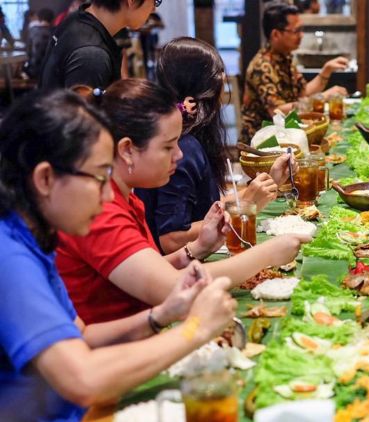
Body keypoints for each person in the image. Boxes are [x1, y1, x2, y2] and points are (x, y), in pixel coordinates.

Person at [0, 90, 236, 420]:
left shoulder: (34, 237)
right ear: (45, 178)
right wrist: (195, 329)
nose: (109, 193)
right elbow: (82, 379)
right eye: (98, 177)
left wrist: (162, 315)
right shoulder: (9, 257)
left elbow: (83, 336)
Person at [56, 79, 310, 324]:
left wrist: (198, 247)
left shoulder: (127, 198)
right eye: (168, 147)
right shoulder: (102, 210)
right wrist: (265, 254)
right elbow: (169, 288)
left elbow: (148, 270)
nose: (179, 154)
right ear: (127, 150)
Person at [137, 37, 291, 254]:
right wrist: (245, 202)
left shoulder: (192, 138)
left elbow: (207, 206)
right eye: (217, 74)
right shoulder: (184, 148)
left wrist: (269, 181)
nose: (223, 79)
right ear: (202, 86)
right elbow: (170, 238)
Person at [239, 2, 348, 141]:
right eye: (296, 31)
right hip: (262, 142)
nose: (301, 35)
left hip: (286, 134)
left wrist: (326, 70)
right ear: (276, 34)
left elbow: (304, 91)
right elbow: (277, 112)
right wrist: (323, 97)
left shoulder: (286, 57)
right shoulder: (261, 66)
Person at [38, 0, 159, 91]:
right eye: (156, 1)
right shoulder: (92, 56)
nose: (154, 9)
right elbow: (81, 123)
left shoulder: (76, 18)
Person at [24, 8, 54, 79]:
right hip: (50, 72)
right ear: (52, 19)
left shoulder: (32, 31)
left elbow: (28, 53)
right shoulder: (55, 32)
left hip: (33, 71)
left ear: (39, 18)